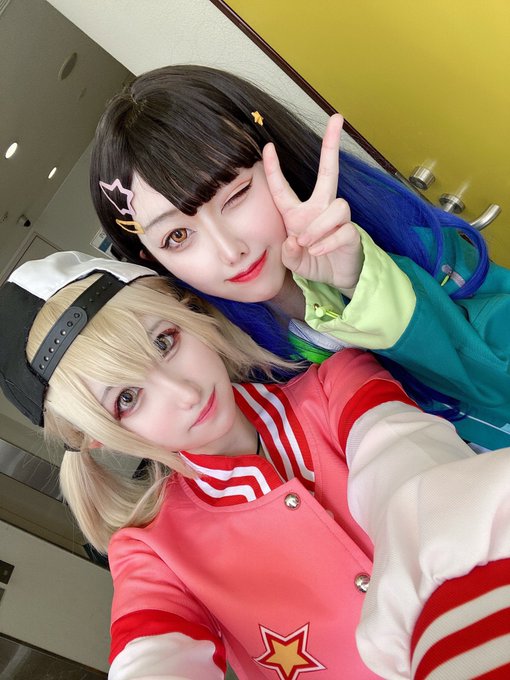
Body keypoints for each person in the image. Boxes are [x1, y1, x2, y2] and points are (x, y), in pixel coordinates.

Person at [1, 251, 509, 679]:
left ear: (190, 314)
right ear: (94, 438)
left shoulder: (339, 383)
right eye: (127, 398)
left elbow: (414, 473)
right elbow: (153, 658)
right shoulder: (151, 552)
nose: (183, 392)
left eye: (164, 341)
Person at [89, 64, 510, 452]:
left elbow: (499, 388)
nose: (230, 250)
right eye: (178, 236)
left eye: (236, 195)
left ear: (277, 162)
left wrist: (366, 283)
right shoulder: (221, 377)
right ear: (155, 261)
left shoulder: (415, 243)